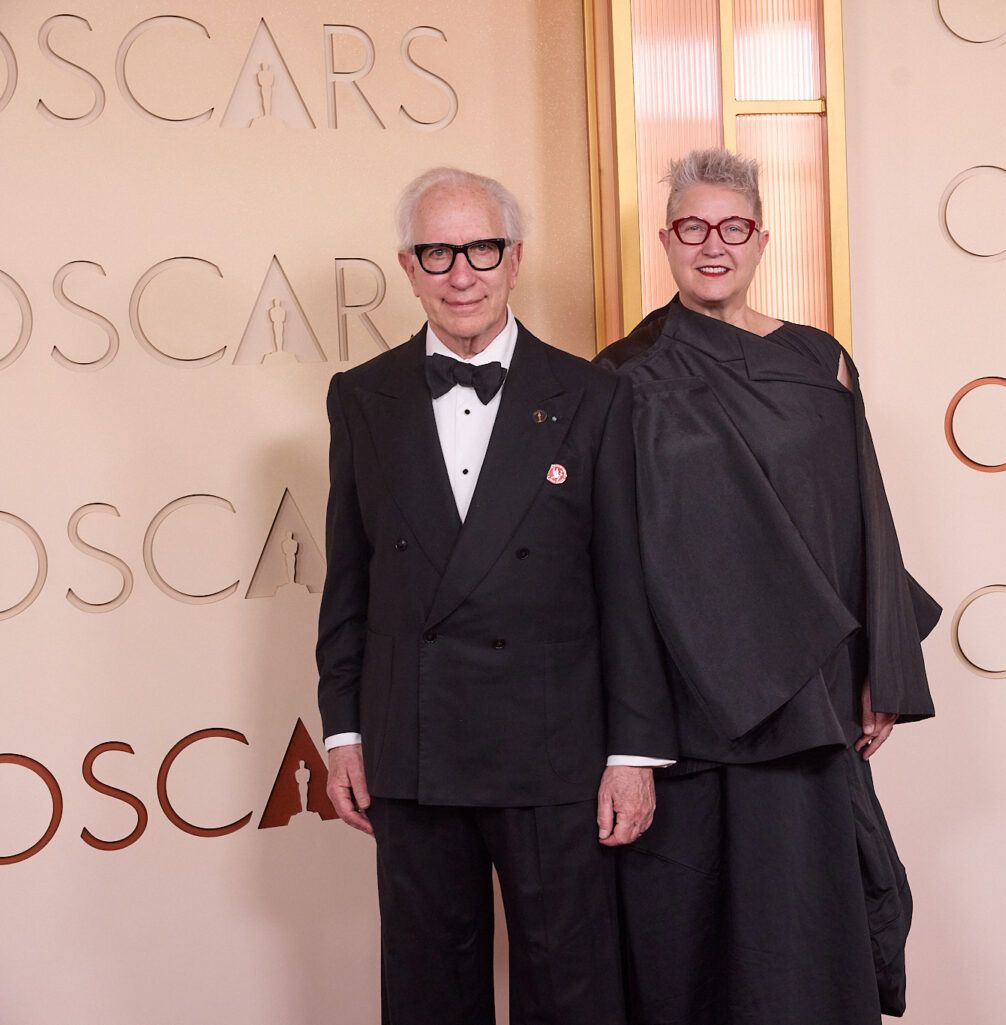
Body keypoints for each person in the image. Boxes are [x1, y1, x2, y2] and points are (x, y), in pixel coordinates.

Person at [316, 166, 675, 1025]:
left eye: (480, 249)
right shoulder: (361, 396)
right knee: (426, 991)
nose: (461, 274)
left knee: (572, 987)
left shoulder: (594, 394)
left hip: (555, 744)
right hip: (413, 742)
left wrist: (634, 752)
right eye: (437, 253)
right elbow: (349, 578)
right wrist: (344, 731)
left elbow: (627, 584)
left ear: (514, 258)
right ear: (408, 267)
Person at [596, 148, 940, 1025]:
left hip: (811, 697)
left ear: (761, 239)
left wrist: (881, 669)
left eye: (733, 227)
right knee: (694, 942)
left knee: (804, 937)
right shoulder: (623, 374)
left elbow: (865, 517)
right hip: (693, 704)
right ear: (665, 240)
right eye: (693, 227)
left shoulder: (822, 361)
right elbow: (615, 558)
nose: (713, 245)